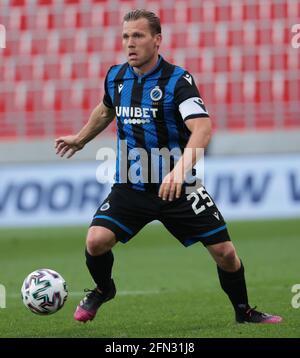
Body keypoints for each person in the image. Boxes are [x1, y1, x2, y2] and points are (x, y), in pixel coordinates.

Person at [55, 9, 282, 324]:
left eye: (138, 36)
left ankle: (244, 312)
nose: (129, 43)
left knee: (226, 254)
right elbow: (106, 110)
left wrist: (178, 171)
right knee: (95, 241)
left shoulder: (178, 80)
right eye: (125, 36)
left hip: (180, 187)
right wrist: (81, 138)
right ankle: (103, 289)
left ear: (157, 40)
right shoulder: (116, 76)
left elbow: (202, 128)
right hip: (131, 185)